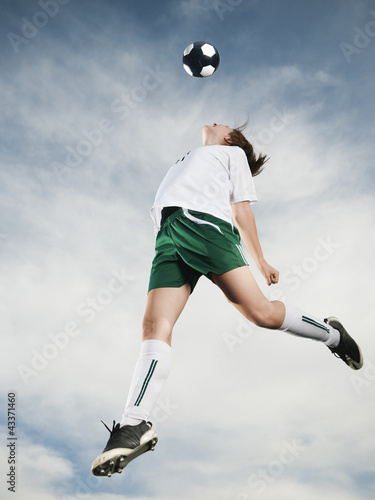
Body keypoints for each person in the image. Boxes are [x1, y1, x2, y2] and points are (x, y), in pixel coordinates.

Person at [91, 122, 363, 477]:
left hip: (203, 226)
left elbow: (241, 210)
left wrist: (260, 259)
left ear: (232, 139)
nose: (216, 123)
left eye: (225, 126)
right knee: (154, 325)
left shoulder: (231, 153)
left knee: (261, 313)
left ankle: (334, 335)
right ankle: (134, 424)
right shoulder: (193, 156)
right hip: (169, 233)